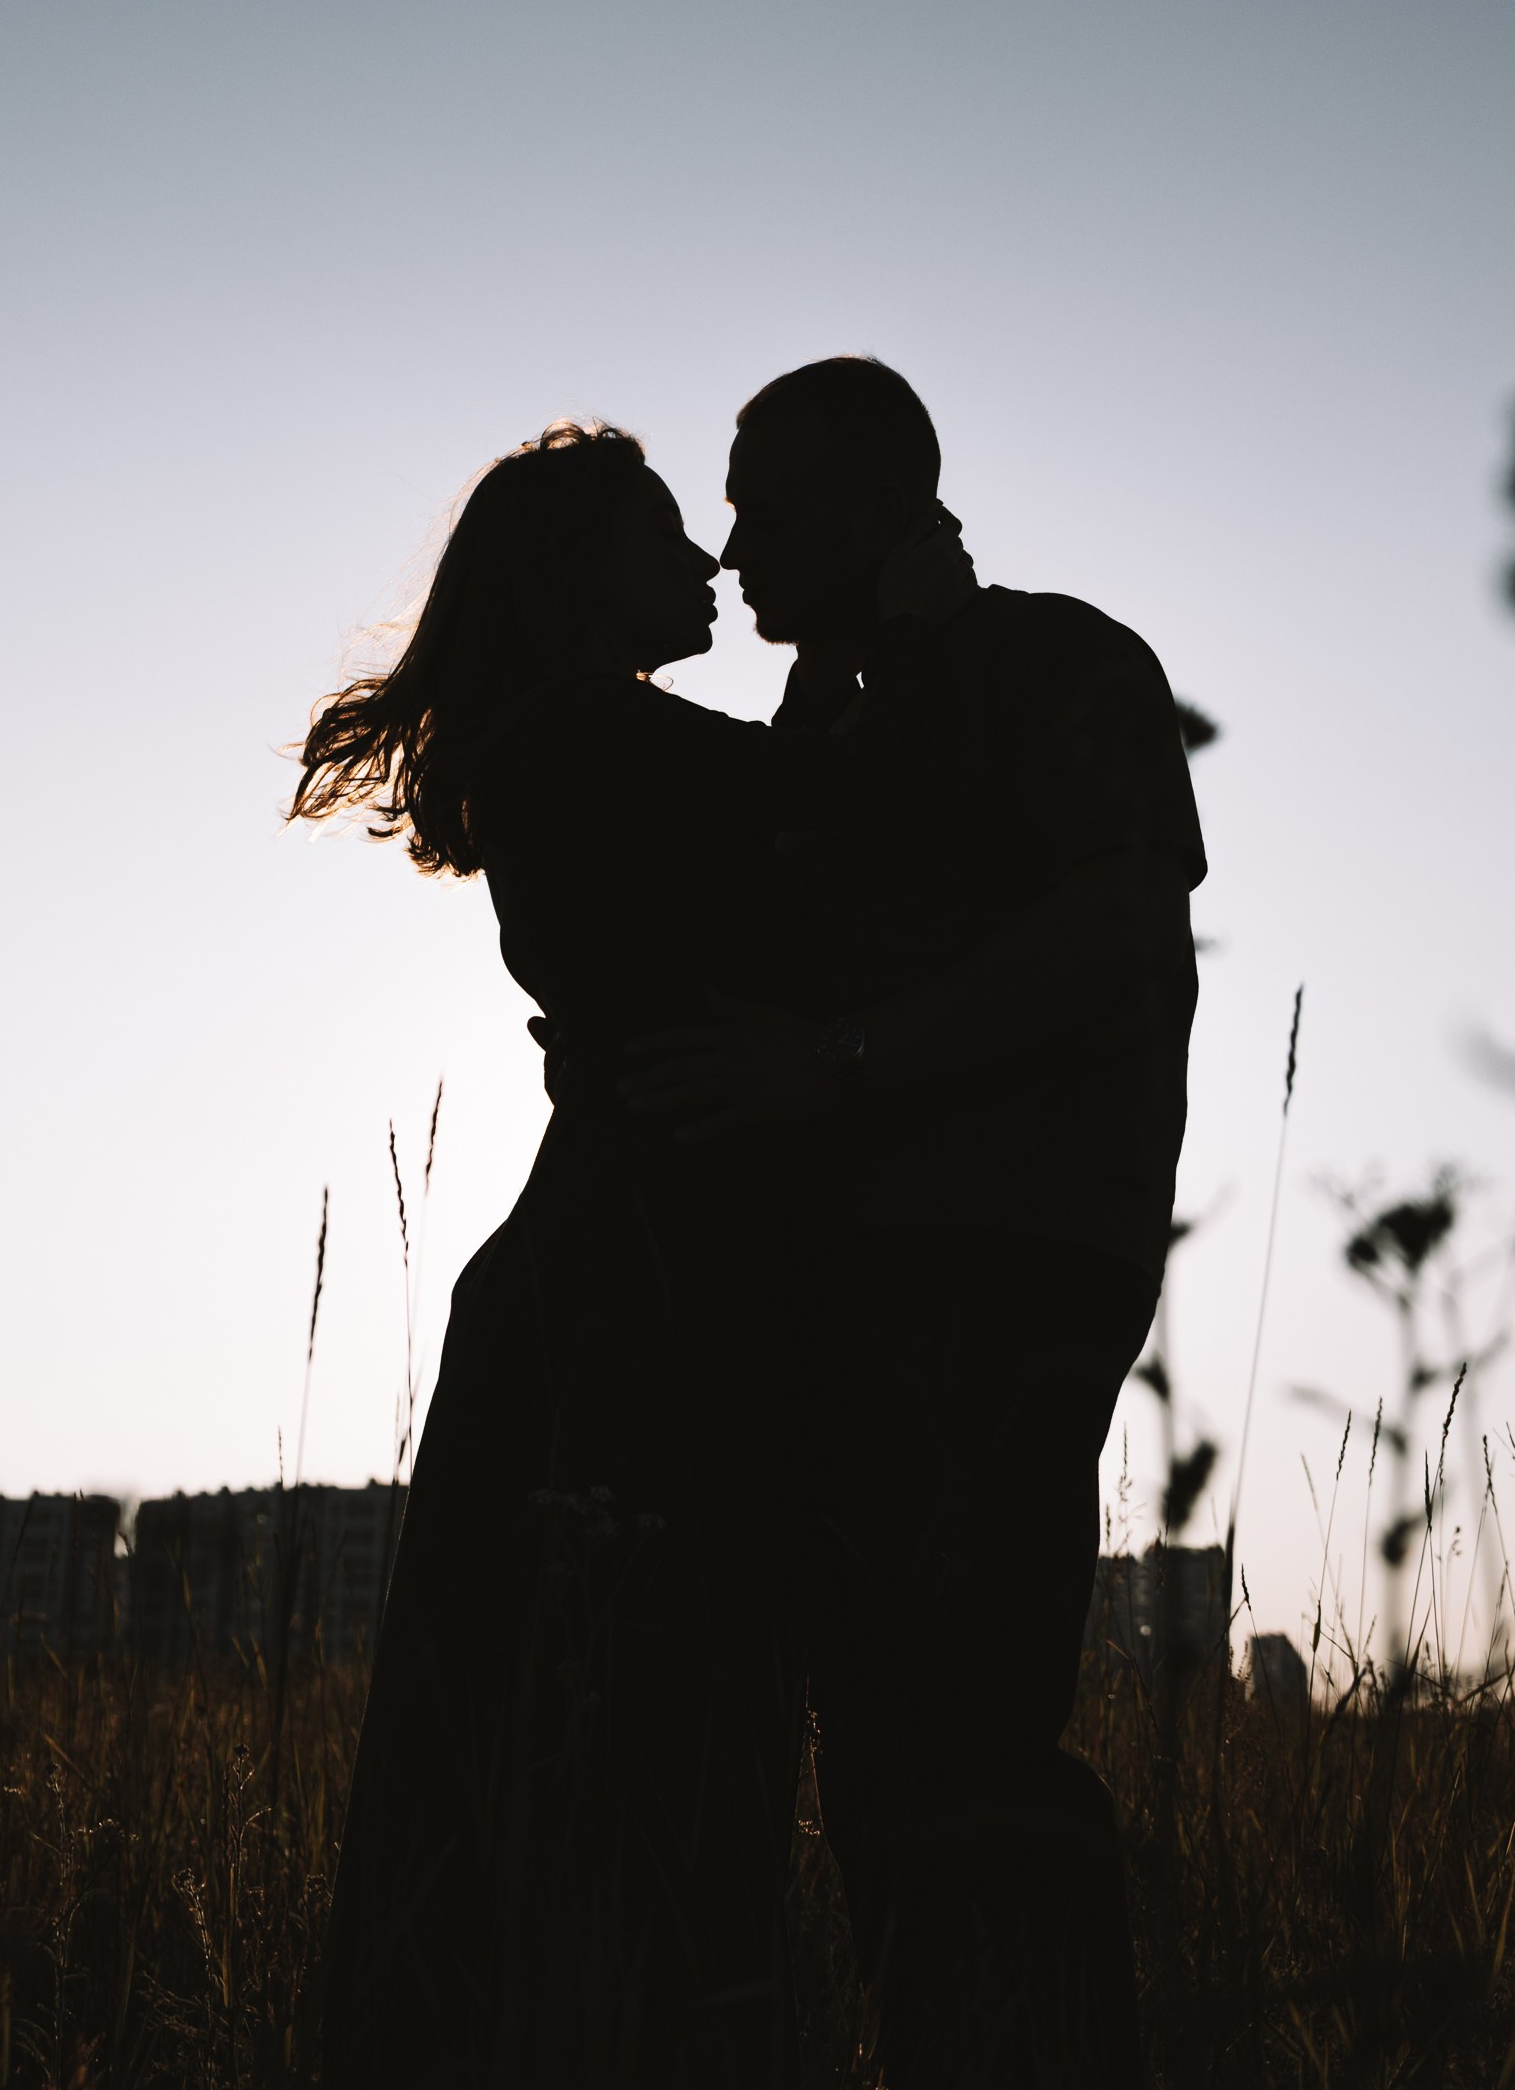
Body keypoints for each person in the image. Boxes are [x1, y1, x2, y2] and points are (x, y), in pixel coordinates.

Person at [304, 419, 961, 2090]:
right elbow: (854, 808)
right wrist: (901, 615)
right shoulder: (594, 740)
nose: (713, 562)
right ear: (580, 574)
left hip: (632, 1247)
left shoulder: (597, 740)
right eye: (669, 530)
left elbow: (792, 820)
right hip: (639, 1272)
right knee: (639, 1731)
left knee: (598, 1729)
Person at [620, 355, 1206, 2087]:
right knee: (879, 1751)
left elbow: (1123, 935)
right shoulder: (843, 729)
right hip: (851, 1287)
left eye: (763, 507)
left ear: (880, 514)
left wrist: (848, 1060)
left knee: (961, 1746)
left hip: (995, 1270)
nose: (730, 551)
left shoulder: (1059, 662)